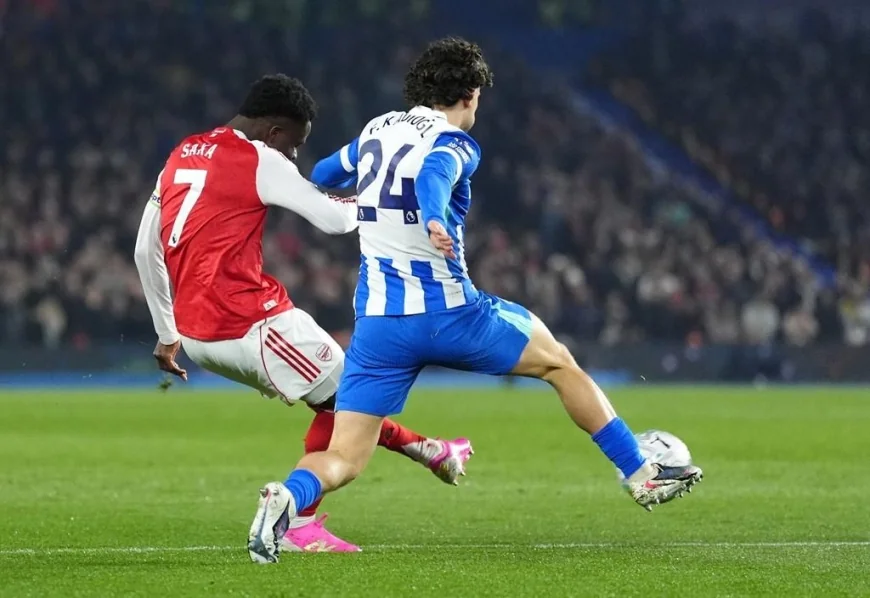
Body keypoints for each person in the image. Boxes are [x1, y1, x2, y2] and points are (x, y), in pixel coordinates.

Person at [246, 39, 703, 565]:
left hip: (379, 326)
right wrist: (434, 215)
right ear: (469, 94)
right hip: (451, 316)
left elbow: (326, 172)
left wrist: (365, 194)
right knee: (559, 362)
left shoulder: (377, 129)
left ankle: (286, 497)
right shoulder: (456, 141)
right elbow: (436, 172)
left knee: (345, 456)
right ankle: (641, 473)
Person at [134, 74, 473, 554]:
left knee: (344, 398)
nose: (294, 158)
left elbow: (143, 249)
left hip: (195, 335)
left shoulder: (181, 153)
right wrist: (384, 200)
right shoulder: (260, 157)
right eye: (295, 145)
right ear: (274, 131)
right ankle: (298, 522)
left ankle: (433, 451)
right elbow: (333, 219)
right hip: (247, 321)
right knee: (355, 398)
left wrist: (167, 332)